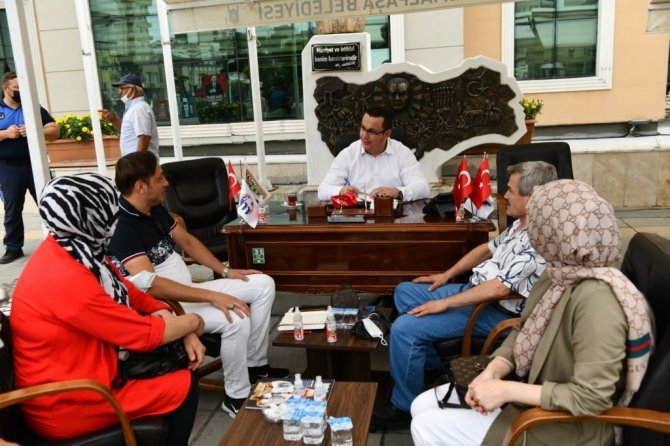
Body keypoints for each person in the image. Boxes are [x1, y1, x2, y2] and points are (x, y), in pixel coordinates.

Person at [410, 179, 654, 445]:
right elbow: (523, 328)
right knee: (421, 405)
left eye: (538, 222)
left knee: (426, 425)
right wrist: (496, 368)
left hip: (564, 427)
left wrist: (506, 390)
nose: (532, 231)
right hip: (534, 395)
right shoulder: (558, 273)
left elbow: (591, 398)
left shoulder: (597, 302)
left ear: (557, 232)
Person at [10, 173, 204, 444]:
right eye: (110, 214)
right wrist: (193, 322)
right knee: (182, 386)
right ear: (91, 218)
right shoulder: (66, 276)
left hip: (86, 378)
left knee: (179, 373)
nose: (115, 222)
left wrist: (172, 319)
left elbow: (132, 293)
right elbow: (143, 335)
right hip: (71, 402)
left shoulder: (74, 249)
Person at [372, 161, 557, 428]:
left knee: (403, 329)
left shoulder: (539, 238)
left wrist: (444, 303)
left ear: (531, 198)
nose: (504, 195)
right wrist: (446, 275)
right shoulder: (520, 224)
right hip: (476, 292)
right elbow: (486, 249)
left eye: (510, 190)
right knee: (405, 292)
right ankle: (430, 363)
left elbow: (501, 288)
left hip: (494, 310)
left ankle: (402, 406)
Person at [107, 151, 289, 418]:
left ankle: (255, 366)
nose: (166, 183)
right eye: (159, 178)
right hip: (170, 307)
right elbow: (152, 287)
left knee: (263, 284)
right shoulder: (122, 227)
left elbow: (187, 241)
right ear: (140, 187)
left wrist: (226, 271)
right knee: (236, 318)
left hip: (191, 293)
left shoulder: (152, 206)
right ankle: (236, 396)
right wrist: (212, 296)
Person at [0, 71, 59, 264]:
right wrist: (6, 134)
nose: (20, 92)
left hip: (36, 164)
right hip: (9, 168)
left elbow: (54, 130)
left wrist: (36, 130)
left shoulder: (32, 107)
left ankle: (59, 243)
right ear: (5, 88)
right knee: (12, 208)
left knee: (49, 204)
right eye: (16, 88)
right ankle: (13, 248)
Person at [317, 105, 429, 202]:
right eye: (363, 128)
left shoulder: (402, 153)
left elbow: (423, 188)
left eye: (371, 131)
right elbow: (323, 190)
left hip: (393, 215)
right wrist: (341, 190)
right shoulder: (348, 154)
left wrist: (396, 192)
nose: (364, 136)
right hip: (358, 215)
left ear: (387, 134)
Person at [100, 74, 159, 158]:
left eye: (122, 88)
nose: (119, 92)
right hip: (135, 161)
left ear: (133, 89)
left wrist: (137, 161)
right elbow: (127, 131)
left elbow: (144, 137)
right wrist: (113, 119)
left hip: (141, 163)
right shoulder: (134, 108)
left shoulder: (138, 108)